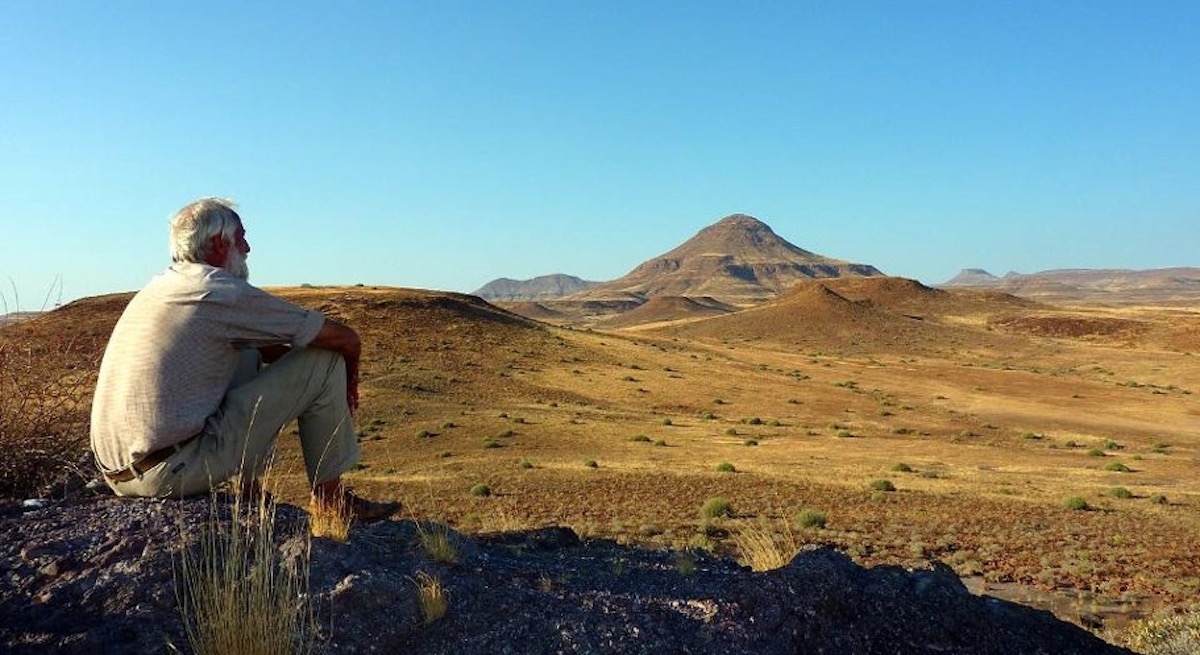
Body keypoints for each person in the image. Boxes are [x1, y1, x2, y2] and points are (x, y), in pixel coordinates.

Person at [90, 197, 398, 522]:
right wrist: (347, 383)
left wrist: (294, 374)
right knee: (326, 361)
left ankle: (250, 493)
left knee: (246, 348)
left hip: (120, 476)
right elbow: (345, 338)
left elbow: (271, 352)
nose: (248, 248)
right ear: (220, 244)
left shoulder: (162, 286)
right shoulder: (219, 291)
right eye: (242, 238)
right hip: (172, 474)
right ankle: (331, 501)